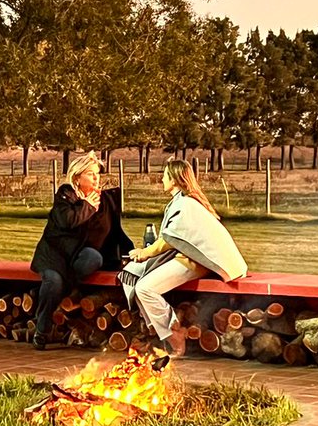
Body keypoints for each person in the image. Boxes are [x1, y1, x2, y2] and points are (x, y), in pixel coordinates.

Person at [120, 158, 247, 356]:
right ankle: (159, 331)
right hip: (188, 259)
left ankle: (173, 333)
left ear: (175, 179)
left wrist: (144, 253)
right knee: (138, 285)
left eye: (164, 175)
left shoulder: (186, 204)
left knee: (144, 288)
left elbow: (169, 240)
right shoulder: (184, 202)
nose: (161, 179)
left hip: (193, 261)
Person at [30, 152, 133, 349]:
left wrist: (131, 253)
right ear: (77, 177)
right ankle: (42, 331)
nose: (97, 178)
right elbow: (68, 221)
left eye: (97, 174)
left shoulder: (104, 200)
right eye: (91, 174)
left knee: (93, 258)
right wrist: (87, 206)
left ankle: (66, 287)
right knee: (53, 282)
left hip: (79, 257)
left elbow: (114, 231)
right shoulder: (65, 194)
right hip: (55, 255)